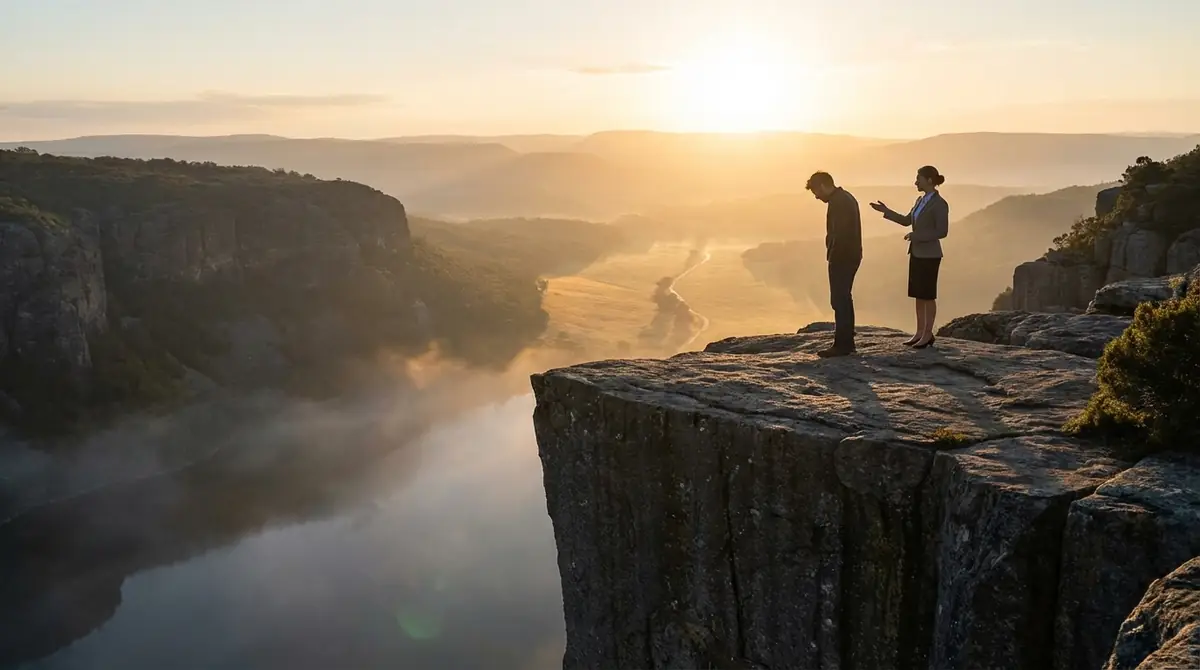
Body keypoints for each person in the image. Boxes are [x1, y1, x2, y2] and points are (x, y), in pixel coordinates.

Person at [868, 165, 949, 348]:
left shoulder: (940, 204)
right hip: (917, 252)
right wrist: (885, 211)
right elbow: (907, 220)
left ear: (929, 180)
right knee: (918, 294)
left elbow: (942, 231)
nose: (915, 182)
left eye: (918, 179)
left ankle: (928, 334)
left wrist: (917, 236)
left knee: (928, 295)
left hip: (930, 254)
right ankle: (920, 332)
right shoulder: (920, 200)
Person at [805, 171, 862, 357]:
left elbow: (841, 234)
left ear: (822, 186)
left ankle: (843, 345)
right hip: (849, 255)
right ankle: (847, 339)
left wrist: (834, 255)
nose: (816, 196)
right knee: (844, 297)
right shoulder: (844, 198)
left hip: (842, 257)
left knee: (839, 298)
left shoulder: (839, 203)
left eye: (816, 191)